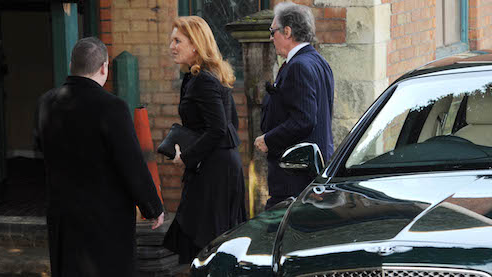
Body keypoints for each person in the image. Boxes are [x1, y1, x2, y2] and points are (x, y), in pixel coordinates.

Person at [33, 37, 164, 277]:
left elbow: (39, 148)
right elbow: (131, 163)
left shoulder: (45, 103)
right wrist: (152, 206)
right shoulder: (112, 107)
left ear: (72, 65)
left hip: (63, 215)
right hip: (105, 219)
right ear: (104, 67)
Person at [163, 16, 247, 265]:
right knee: (208, 244)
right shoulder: (199, 77)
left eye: (178, 41)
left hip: (215, 173)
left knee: (209, 245)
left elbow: (220, 129)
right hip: (214, 168)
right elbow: (232, 124)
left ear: (196, 45)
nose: (172, 46)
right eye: (171, 40)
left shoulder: (204, 80)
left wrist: (187, 157)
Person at [254, 2, 335, 208]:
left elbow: (304, 120)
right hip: (311, 176)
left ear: (287, 31)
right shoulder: (318, 62)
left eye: (273, 31)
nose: (271, 38)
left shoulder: (298, 66)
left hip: (294, 178)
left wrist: (268, 139)